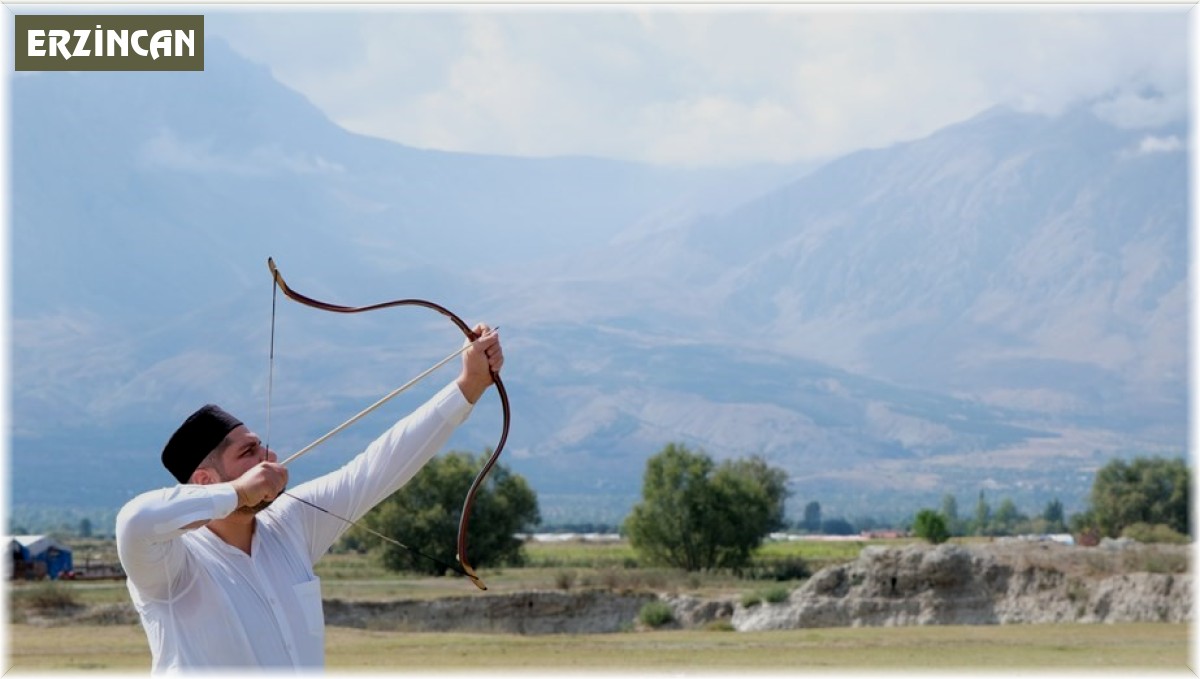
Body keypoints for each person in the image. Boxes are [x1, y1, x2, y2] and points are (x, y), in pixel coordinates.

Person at [116, 326, 503, 672]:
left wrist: (469, 386)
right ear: (204, 481)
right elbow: (135, 521)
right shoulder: (171, 565)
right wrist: (238, 493)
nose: (269, 458)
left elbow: (376, 468)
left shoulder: (290, 523)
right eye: (249, 453)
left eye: (262, 446)